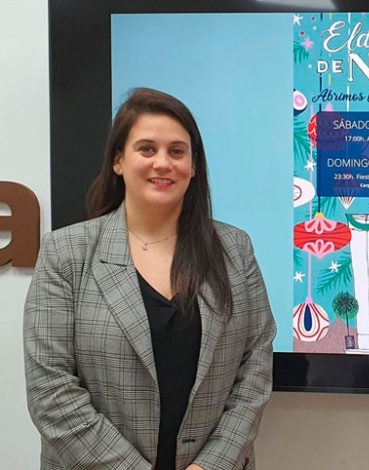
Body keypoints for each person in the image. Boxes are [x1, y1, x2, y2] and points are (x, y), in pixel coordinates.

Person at [23, 88, 277, 470]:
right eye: (146, 149)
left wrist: (210, 465)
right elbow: (51, 391)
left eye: (177, 151)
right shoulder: (66, 253)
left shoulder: (234, 249)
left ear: (193, 166)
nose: (163, 163)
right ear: (118, 161)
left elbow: (255, 366)